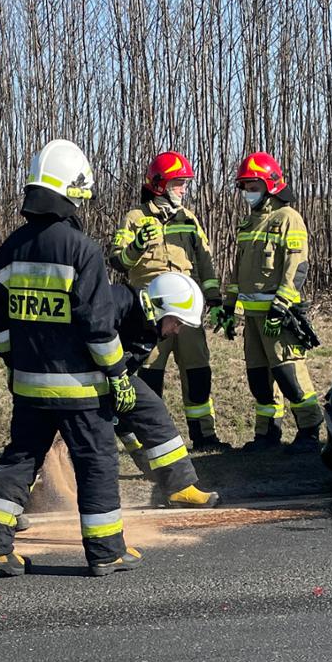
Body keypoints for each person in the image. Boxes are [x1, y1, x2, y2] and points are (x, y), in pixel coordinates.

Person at [0, 139, 143, 578]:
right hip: (81, 387)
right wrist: (118, 372)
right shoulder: (81, 250)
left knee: (19, 460)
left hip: (28, 384)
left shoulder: (9, 249)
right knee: (96, 462)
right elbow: (97, 324)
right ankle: (106, 552)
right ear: (69, 194)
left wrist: (13, 363)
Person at [107, 152, 230, 453]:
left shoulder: (188, 219)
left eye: (185, 183)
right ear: (160, 185)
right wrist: (137, 246)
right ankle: (148, 439)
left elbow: (205, 262)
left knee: (198, 371)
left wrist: (214, 300)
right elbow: (118, 261)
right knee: (149, 377)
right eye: (178, 183)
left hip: (186, 311)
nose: (183, 189)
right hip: (151, 314)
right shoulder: (135, 218)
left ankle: (204, 436)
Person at [208, 151, 324, 454]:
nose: (248, 192)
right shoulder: (248, 225)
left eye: (253, 185)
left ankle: (310, 431)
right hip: (253, 320)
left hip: (279, 317)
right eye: (244, 186)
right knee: (259, 380)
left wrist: (281, 307)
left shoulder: (288, 219)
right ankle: (267, 435)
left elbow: (296, 266)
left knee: (290, 375)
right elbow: (237, 271)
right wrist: (229, 307)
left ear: (270, 184)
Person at [107, 272, 222, 508]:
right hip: (74, 379)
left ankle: (179, 487)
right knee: (41, 437)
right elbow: (94, 334)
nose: (177, 330)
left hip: (111, 379)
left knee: (150, 408)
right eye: (177, 322)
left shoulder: (150, 331)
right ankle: (15, 501)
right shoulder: (118, 300)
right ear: (160, 306)